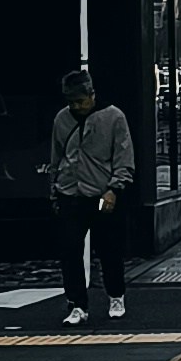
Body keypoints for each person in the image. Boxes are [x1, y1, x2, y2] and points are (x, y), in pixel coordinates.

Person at [45, 63, 134, 325]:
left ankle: (115, 295)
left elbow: (124, 157)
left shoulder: (114, 117)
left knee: (109, 249)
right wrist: (54, 189)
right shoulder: (62, 119)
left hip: (101, 194)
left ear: (92, 95)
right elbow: (56, 156)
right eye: (71, 102)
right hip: (70, 192)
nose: (76, 106)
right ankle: (77, 304)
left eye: (81, 101)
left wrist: (115, 188)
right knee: (70, 250)